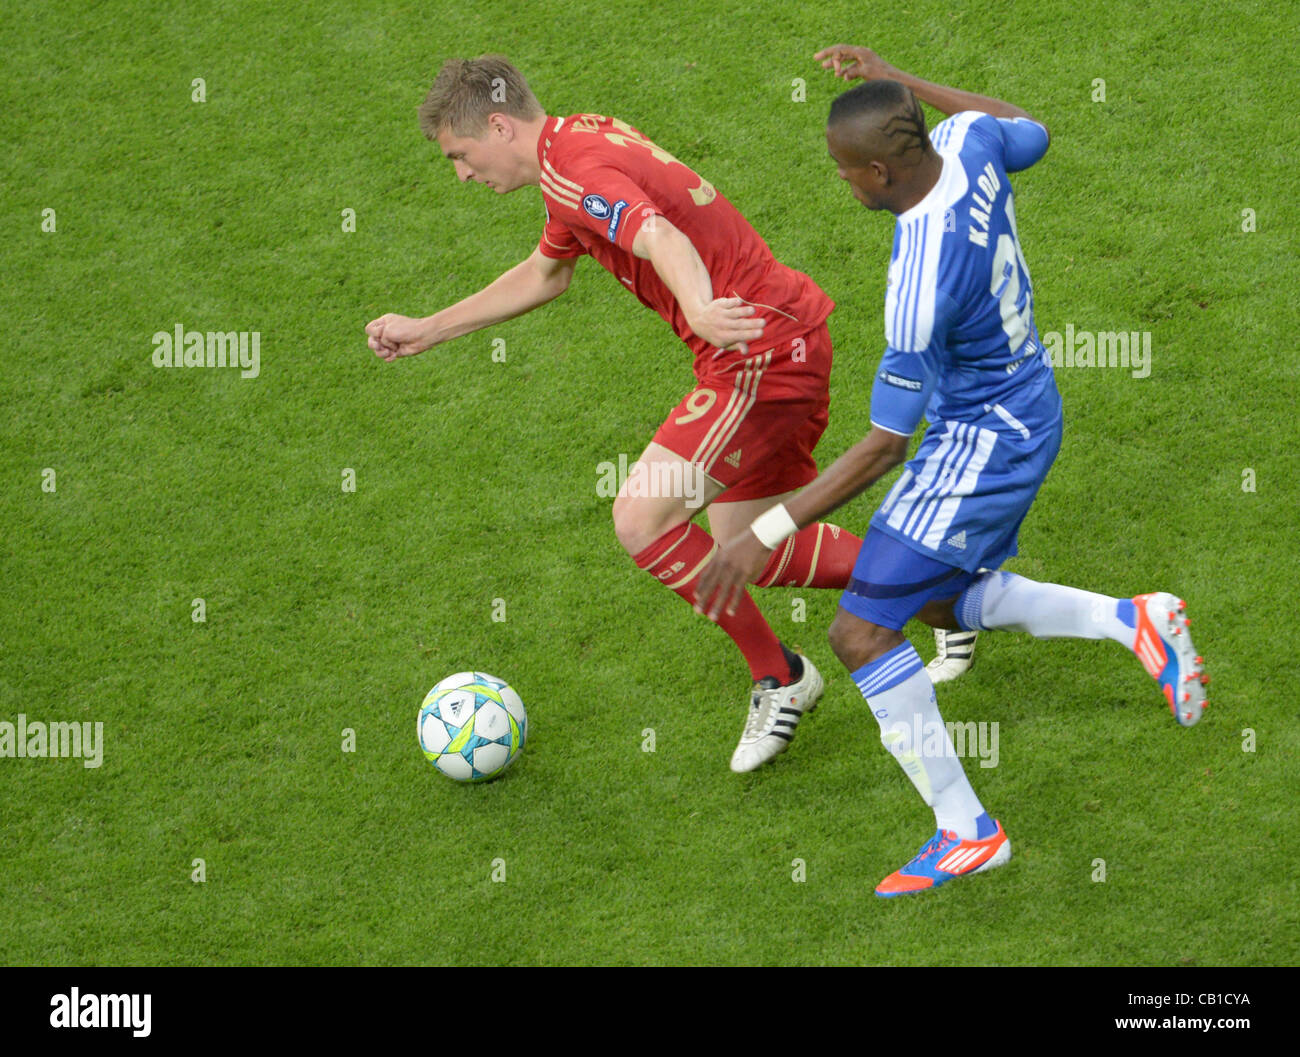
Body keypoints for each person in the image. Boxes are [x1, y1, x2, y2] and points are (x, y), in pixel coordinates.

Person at [695, 45, 1209, 895]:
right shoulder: (969, 140)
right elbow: (1027, 126)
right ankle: (1134, 621)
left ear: (878, 172)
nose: (841, 182)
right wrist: (903, 84)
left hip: (983, 443)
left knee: (859, 632)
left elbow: (883, 446)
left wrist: (768, 530)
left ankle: (968, 831)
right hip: (1022, 402)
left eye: (844, 170)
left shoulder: (917, 281)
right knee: (930, 596)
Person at [366, 56, 866, 771]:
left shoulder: (573, 172)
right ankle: (946, 581)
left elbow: (661, 235)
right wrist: (428, 329)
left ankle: (781, 676)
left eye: (460, 155)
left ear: (498, 126)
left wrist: (698, 308)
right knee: (751, 544)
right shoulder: (576, 144)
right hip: (774, 336)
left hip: (756, 350)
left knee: (640, 518)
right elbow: (546, 273)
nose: (463, 175)